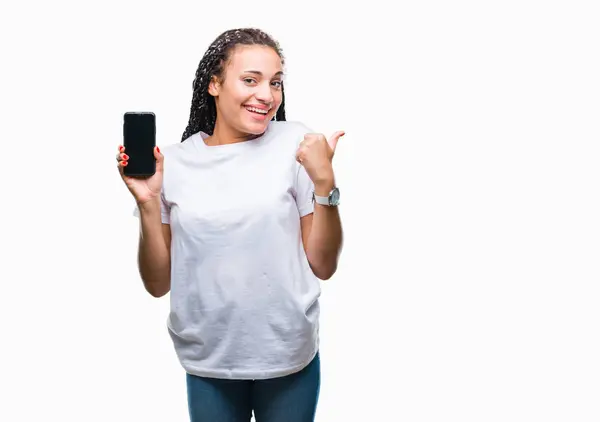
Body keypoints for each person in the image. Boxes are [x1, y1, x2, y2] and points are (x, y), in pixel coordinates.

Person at [116, 27, 344, 422]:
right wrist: (149, 202)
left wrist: (325, 184)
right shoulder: (174, 164)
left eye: (275, 82)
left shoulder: (298, 144)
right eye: (250, 80)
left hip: (288, 352)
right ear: (215, 84)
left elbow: (323, 264)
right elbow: (157, 284)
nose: (267, 95)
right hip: (209, 357)